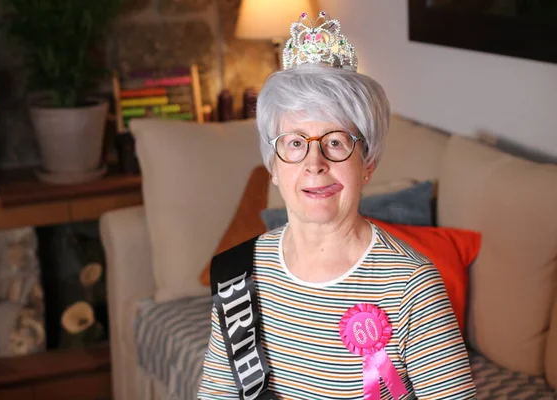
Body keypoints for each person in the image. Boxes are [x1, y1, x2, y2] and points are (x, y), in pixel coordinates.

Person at [198, 11, 475, 400]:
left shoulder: (412, 285)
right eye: (295, 143)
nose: (315, 164)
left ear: (368, 162)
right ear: (274, 166)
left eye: (335, 142)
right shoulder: (238, 275)